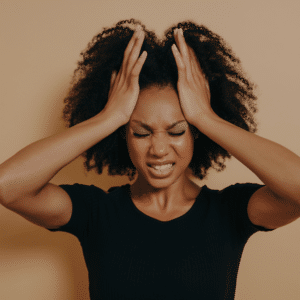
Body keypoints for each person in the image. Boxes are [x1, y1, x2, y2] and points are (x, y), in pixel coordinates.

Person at [1, 18, 300, 300]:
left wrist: (206, 117)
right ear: (123, 136)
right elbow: (8, 185)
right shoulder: (96, 213)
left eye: (177, 131)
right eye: (142, 133)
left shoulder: (228, 213)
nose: (158, 149)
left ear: (196, 134)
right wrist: (110, 116)